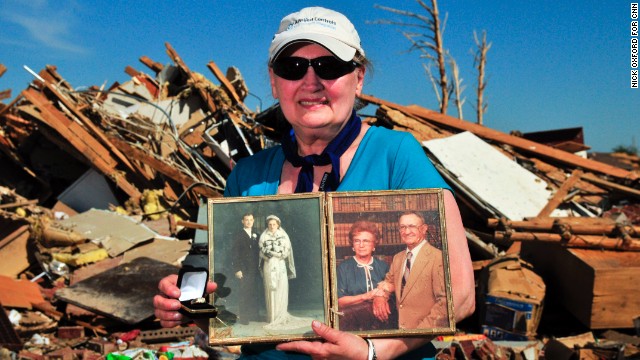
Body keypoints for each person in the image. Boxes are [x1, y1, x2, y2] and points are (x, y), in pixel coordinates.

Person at [154, 6, 475, 359]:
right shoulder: (247, 177)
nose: (311, 81)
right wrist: (192, 307)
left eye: (330, 66)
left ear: (359, 77)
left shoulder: (397, 155)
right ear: (274, 83)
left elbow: (458, 294)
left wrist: (371, 352)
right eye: (292, 68)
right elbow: (239, 314)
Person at [372, 211, 449, 329]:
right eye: (402, 227)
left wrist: (420, 332)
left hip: (425, 333)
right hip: (401, 330)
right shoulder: (398, 258)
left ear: (424, 229)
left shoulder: (438, 258)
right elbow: (389, 283)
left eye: (412, 226)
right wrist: (380, 297)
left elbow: (444, 303)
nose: (407, 232)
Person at [336, 220, 395, 331]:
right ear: (352, 244)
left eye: (366, 241)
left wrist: (381, 297)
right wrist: (365, 296)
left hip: (381, 321)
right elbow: (340, 302)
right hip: (353, 323)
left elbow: (391, 292)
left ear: (374, 244)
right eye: (357, 241)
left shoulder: (383, 266)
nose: (361, 245)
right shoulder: (343, 268)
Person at [258, 215, 310, 332]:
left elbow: (286, 253)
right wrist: (268, 255)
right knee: (270, 289)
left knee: (280, 289)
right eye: (270, 224)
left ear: (278, 225)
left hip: (280, 265)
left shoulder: (283, 236)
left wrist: (277, 254)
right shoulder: (263, 236)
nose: (272, 226)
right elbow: (261, 253)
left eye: (274, 224)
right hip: (268, 264)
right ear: (267, 225)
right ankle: (272, 317)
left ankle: (280, 315)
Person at [231, 212, 261, 325]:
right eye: (246, 220)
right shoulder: (238, 235)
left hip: (255, 269)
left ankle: (255, 315)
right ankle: (244, 317)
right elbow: (234, 254)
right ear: (242, 221)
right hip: (244, 269)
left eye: (250, 220)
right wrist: (237, 269)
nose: (249, 222)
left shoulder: (256, 234)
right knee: (245, 293)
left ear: (253, 221)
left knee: (255, 292)